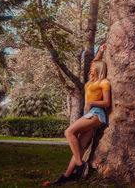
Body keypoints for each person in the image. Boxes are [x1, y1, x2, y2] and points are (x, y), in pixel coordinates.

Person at [52, 43, 111, 186]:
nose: (90, 68)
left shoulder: (104, 83)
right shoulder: (92, 81)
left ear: (98, 69)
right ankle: (68, 175)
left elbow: (107, 103)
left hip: (96, 114)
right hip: (88, 113)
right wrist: (101, 51)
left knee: (69, 132)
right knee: (78, 146)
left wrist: (92, 103)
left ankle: (80, 164)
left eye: (92, 68)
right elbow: (95, 62)